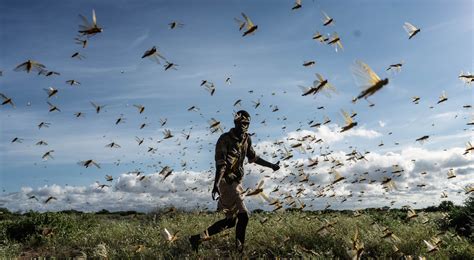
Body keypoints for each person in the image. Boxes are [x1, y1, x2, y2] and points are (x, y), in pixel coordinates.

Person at [189, 110, 280, 253]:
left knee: (230, 222)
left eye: (247, 124)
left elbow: (253, 157)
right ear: (235, 122)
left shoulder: (246, 139)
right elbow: (221, 165)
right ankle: (239, 252)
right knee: (244, 216)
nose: (244, 126)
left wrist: (272, 165)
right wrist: (216, 184)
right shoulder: (224, 139)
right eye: (242, 123)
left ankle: (196, 238)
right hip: (226, 182)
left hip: (237, 183)